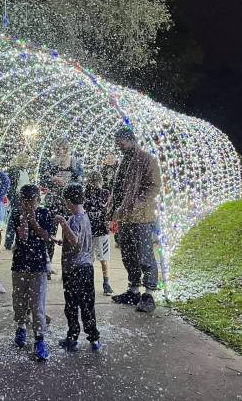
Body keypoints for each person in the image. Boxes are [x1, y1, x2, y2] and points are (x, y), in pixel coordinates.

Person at [110, 127, 161, 313]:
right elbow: (119, 188)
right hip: (125, 217)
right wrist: (114, 207)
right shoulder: (125, 160)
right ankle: (133, 290)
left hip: (142, 217)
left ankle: (149, 293)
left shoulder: (146, 159)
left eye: (121, 143)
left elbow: (153, 188)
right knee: (128, 254)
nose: (119, 146)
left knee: (144, 254)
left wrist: (135, 204)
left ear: (131, 140)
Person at [10, 184, 57, 361]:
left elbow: (46, 237)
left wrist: (34, 221)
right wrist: (24, 218)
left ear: (38, 200)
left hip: (38, 265)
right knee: (19, 300)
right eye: (25, 201)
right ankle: (21, 327)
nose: (29, 204)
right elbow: (21, 236)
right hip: (20, 264)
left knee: (37, 304)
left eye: (32, 201)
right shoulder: (16, 214)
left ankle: (39, 338)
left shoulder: (45, 214)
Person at [56, 184, 102, 353]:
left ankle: (72, 338)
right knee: (88, 305)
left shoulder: (74, 219)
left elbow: (75, 240)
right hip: (87, 267)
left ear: (68, 201)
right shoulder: (85, 217)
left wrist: (62, 223)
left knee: (72, 305)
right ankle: (94, 339)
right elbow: (79, 240)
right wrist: (63, 241)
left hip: (74, 269)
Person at [40, 138, 83, 272]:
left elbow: (80, 181)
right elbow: (43, 179)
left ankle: (68, 266)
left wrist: (68, 183)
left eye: (62, 149)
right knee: (50, 233)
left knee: (70, 234)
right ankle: (48, 265)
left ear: (66, 149)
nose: (59, 152)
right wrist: (52, 179)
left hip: (68, 203)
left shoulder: (74, 163)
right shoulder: (49, 163)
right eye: (57, 149)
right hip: (53, 202)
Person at [84, 171, 113, 295]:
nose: (95, 184)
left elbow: (108, 207)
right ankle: (100, 283)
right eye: (93, 182)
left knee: (99, 258)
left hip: (97, 230)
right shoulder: (87, 193)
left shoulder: (103, 192)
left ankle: (104, 283)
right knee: (94, 258)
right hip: (93, 230)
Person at [4, 153, 31, 250]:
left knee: (20, 219)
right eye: (24, 161)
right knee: (14, 219)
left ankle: (16, 241)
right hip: (18, 198)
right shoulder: (15, 171)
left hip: (24, 198)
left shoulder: (24, 171)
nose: (25, 163)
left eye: (26, 161)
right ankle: (9, 242)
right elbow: (12, 186)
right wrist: (12, 197)